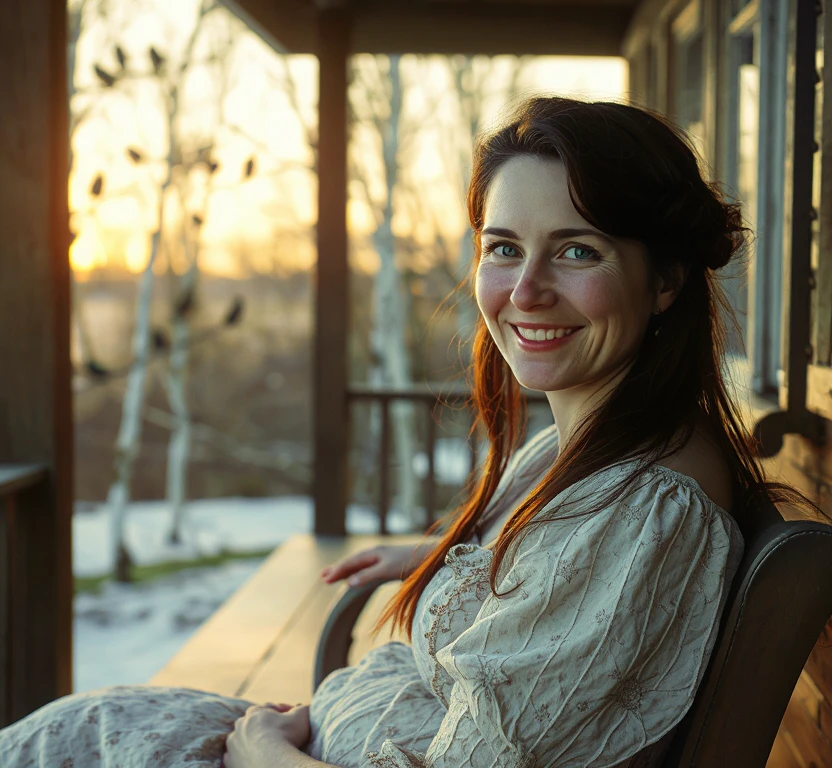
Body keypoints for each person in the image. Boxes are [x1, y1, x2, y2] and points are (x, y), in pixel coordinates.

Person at [0, 95, 816, 768]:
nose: (524, 291)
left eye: (576, 251)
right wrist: (455, 555)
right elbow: (566, 600)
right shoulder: (612, 448)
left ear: (666, 278)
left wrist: (260, 753)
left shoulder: (645, 512)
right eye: (503, 248)